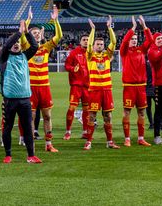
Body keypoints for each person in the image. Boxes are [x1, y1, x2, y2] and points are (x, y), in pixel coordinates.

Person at [0, 20, 42, 163]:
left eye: (18, 43)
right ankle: (8, 155)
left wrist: (27, 32)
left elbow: (35, 45)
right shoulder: (4, 57)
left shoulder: (24, 56)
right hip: (9, 100)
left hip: (24, 99)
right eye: (13, 43)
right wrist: (18, 33)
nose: (16, 44)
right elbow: (6, 45)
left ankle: (31, 155)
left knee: (28, 128)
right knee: (8, 127)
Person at [23, 5, 63, 152]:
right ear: (29, 35)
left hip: (45, 87)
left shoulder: (45, 47)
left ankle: (48, 144)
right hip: (31, 87)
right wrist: (28, 20)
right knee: (31, 117)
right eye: (33, 33)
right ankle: (31, 146)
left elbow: (58, 37)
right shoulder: (26, 47)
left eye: (38, 32)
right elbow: (22, 34)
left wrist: (56, 20)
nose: (37, 34)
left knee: (47, 116)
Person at [84, 16, 119, 150]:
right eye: (97, 44)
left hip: (106, 90)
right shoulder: (90, 56)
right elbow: (88, 45)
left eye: (101, 44)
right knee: (92, 116)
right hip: (94, 90)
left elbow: (114, 41)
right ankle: (88, 142)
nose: (100, 46)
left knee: (108, 116)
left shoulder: (107, 56)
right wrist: (92, 30)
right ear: (93, 46)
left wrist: (109, 28)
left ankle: (110, 142)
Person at [120, 15, 153, 147]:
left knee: (141, 112)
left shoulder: (141, 50)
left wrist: (144, 26)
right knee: (127, 112)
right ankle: (127, 138)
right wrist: (133, 28)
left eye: (135, 39)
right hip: (129, 86)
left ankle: (141, 138)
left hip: (141, 87)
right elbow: (124, 41)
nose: (133, 40)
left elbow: (150, 40)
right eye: (132, 39)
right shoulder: (124, 51)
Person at [63, 32, 90, 140]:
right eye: (84, 39)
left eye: (88, 40)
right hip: (76, 85)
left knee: (86, 109)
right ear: (80, 41)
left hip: (88, 85)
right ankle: (68, 131)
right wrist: (72, 69)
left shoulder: (91, 53)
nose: (86, 41)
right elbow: (66, 65)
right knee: (72, 107)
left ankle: (85, 132)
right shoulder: (74, 52)